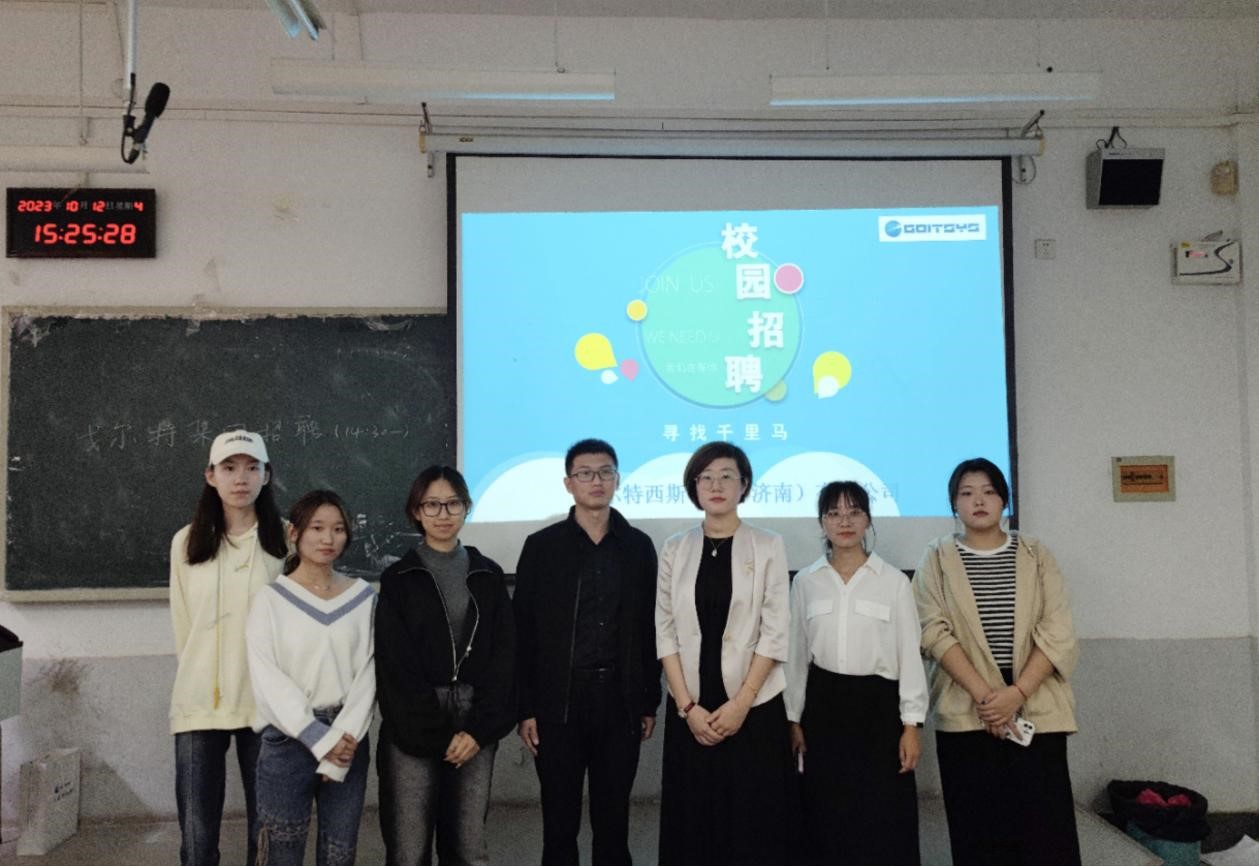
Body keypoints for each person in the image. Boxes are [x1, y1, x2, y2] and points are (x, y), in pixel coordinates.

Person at [912, 458, 1081, 866]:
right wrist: (988, 700)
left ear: (1004, 500)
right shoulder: (937, 557)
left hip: (1034, 704)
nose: (979, 501)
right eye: (967, 493)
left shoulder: (1035, 554)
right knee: (978, 832)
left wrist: (1016, 694)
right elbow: (932, 630)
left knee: (1047, 832)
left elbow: (1057, 628)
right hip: (968, 707)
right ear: (954, 504)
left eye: (989, 492)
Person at [514, 438, 661, 866]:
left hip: (620, 700)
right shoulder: (542, 547)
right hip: (558, 703)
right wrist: (525, 707)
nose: (596, 481)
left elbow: (651, 628)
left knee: (613, 821)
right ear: (569, 483)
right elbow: (523, 631)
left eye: (605, 472)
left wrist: (648, 700)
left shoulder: (638, 547)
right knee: (559, 821)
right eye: (585, 473)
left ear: (617, 479)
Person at [655, 442, 795, 866]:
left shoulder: (768, 545)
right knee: (693, 828)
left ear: (744, 485)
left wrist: (741, 704)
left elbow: (775, 631)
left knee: (753, 829)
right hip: (692, 709)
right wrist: (687, 708)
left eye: (727, 476)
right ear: (694, 486)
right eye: (706, 477)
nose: (716, 485)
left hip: (753, 708)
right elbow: (664, 631)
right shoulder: (675, 547)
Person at [375, 465, 516, 866]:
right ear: (416, 512)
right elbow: (395, 667)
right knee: (409, 849)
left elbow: (504, 658)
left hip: (475, 720)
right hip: (414, 722)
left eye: (453, 503)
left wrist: (477, 730)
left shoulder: (487, 574)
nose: (443, 514)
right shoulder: (399, 578)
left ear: (467, 507)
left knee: (468, 848)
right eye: (432, 505)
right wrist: (438, 735)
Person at [785, 481, 927, 866]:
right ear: (822, 522)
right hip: (824, 708)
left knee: (882, 815)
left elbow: (909, 655)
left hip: (879, 712)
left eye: (854, 513)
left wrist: (911, 725)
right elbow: (795, 655)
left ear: (868, 520)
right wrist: (793, 719)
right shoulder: (806, 581)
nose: (844, 522)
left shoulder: (894, 582)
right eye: (834, 514)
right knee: (825, 813)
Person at [170, 429, 288, 866]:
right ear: (211, 475)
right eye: (230, 467)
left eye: (252, 468)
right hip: (199, 702)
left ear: (266, 475)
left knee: (267, 832)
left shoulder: (286, 541)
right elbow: (184, 624)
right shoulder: (186, 542)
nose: (241, 478)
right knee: (197, 838)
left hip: (265, 703)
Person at [246, 490, 377, 866]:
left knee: (340, 853)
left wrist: (343, 738)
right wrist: (318, 737)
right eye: (317, 528)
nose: (327, 538)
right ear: (294, 532)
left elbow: (370, 672)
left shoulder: (363, 597)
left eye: (338, 529)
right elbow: (267, 678)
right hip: (289, 740)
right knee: (282, 852)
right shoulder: (270, 599)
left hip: (349, 738)